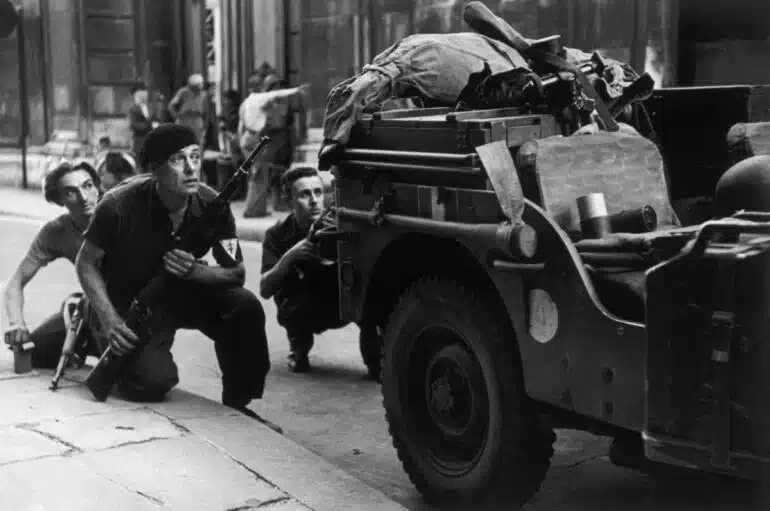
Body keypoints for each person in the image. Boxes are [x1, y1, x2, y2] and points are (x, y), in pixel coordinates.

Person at [75, 124, 270, 417]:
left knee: (244, 307)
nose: (191, 168)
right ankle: (92, 333)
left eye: (195, 156)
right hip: (131, 302)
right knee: (153, 383)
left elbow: (236, 273)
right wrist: (111, 320)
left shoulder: (212, 204)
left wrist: (196, 273)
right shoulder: (118, 205)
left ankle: (236, 402)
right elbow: (85, 263)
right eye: (178, 160)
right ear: (155, 169)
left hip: (182, 293)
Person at [259, 165, 381, 377]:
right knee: (290, 304)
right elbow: (265, 289)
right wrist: (290, 256)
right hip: (304, 306)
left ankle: (375, 360)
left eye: (318, 192)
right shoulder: (277, 235)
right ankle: (299, 348)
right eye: (305, 195)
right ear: (289, 201)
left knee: (372, 295)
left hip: (342, 300)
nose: (314, 200)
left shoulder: (341, 226)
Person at [3, 162, 103, 367]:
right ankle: (80, 346)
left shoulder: (119, 215)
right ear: (59, 200)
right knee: (35, 353)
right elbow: (15, 284)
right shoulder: (56, 232)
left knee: (140, 381)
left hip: (128, 309)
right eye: (70, 192)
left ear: (97, 186)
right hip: (90, 309)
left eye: (88, 186)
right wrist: (16, 324)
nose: (84, 197)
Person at [238, 74, 309, 217]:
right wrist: (297, 90)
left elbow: (241, 124)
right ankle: (252, 209)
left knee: (259, 174)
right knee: (259, 175)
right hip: (256, 138)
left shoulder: (247, 102)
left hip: (248, 137)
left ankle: (257, 208)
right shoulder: (260, 99)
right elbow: (277, 94)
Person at [168, 74, 209, 148]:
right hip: (184, 120)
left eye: (201, 84)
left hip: (197, 121)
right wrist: (176, 116)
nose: (200, 86)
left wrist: (205, 127)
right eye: (197, 85)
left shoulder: (204, 95)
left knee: (198, 144)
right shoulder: (183, 92)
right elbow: (171, 106)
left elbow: (206, 112)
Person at [127, 82, 159, 160]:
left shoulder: (151, 108)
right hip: (139, 141)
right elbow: (133, 125)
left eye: (145, 94)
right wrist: (150, 126)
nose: (145, 96)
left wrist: (157, 124)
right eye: (142, 95)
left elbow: (156, 120)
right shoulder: (133, 109)